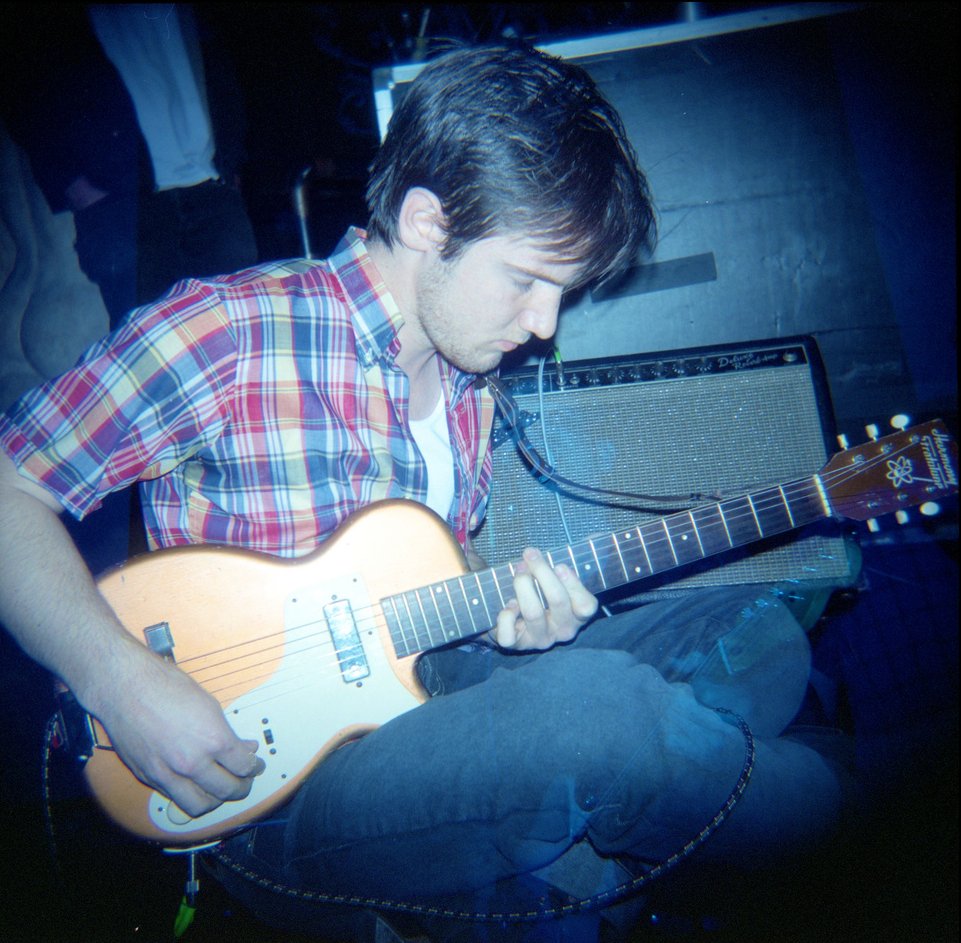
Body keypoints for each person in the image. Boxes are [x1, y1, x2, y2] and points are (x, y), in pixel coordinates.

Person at [0, 43, 853, 942]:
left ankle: (578, 859)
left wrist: (512, 624)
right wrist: (119, 679)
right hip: (272, 788)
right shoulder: (228, 331)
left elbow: (430, 596)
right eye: (525, 279)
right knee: (597, 717)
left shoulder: (466, 379)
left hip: (422, 692)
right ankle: (838, 834)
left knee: (752, 629)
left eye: (561, 291)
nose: (543, 325)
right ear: (424, 222)